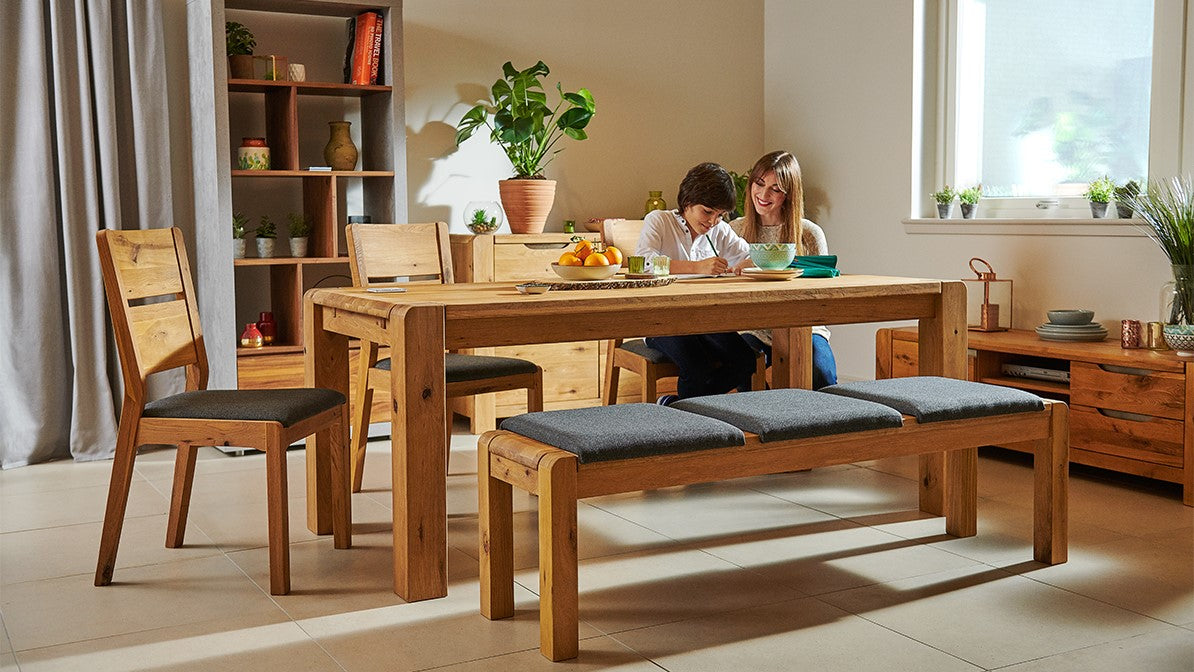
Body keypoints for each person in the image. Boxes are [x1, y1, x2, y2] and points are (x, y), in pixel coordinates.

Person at [636, 162, 758, 403]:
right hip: (661, 320)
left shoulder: (719, 231)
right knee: (697, 365)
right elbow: (643, 264)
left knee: (745, 360)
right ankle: (692, 423)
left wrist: (747, 264)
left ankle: (677, 408)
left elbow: (750, 255)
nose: (713, 221)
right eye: (707, 211)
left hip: (705, 319)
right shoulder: (659, 221)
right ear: (688, 202)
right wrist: (697, 267)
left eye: (720, 215)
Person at [729, 150, 838, 389]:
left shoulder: (809, 233)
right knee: (745, 369)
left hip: (805, 326)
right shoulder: (735, 230)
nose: (763, 194)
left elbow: (824, 293)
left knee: (822, 373)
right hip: (752, 328)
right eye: (759, 184)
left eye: (775, 189)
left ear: (789, 194)